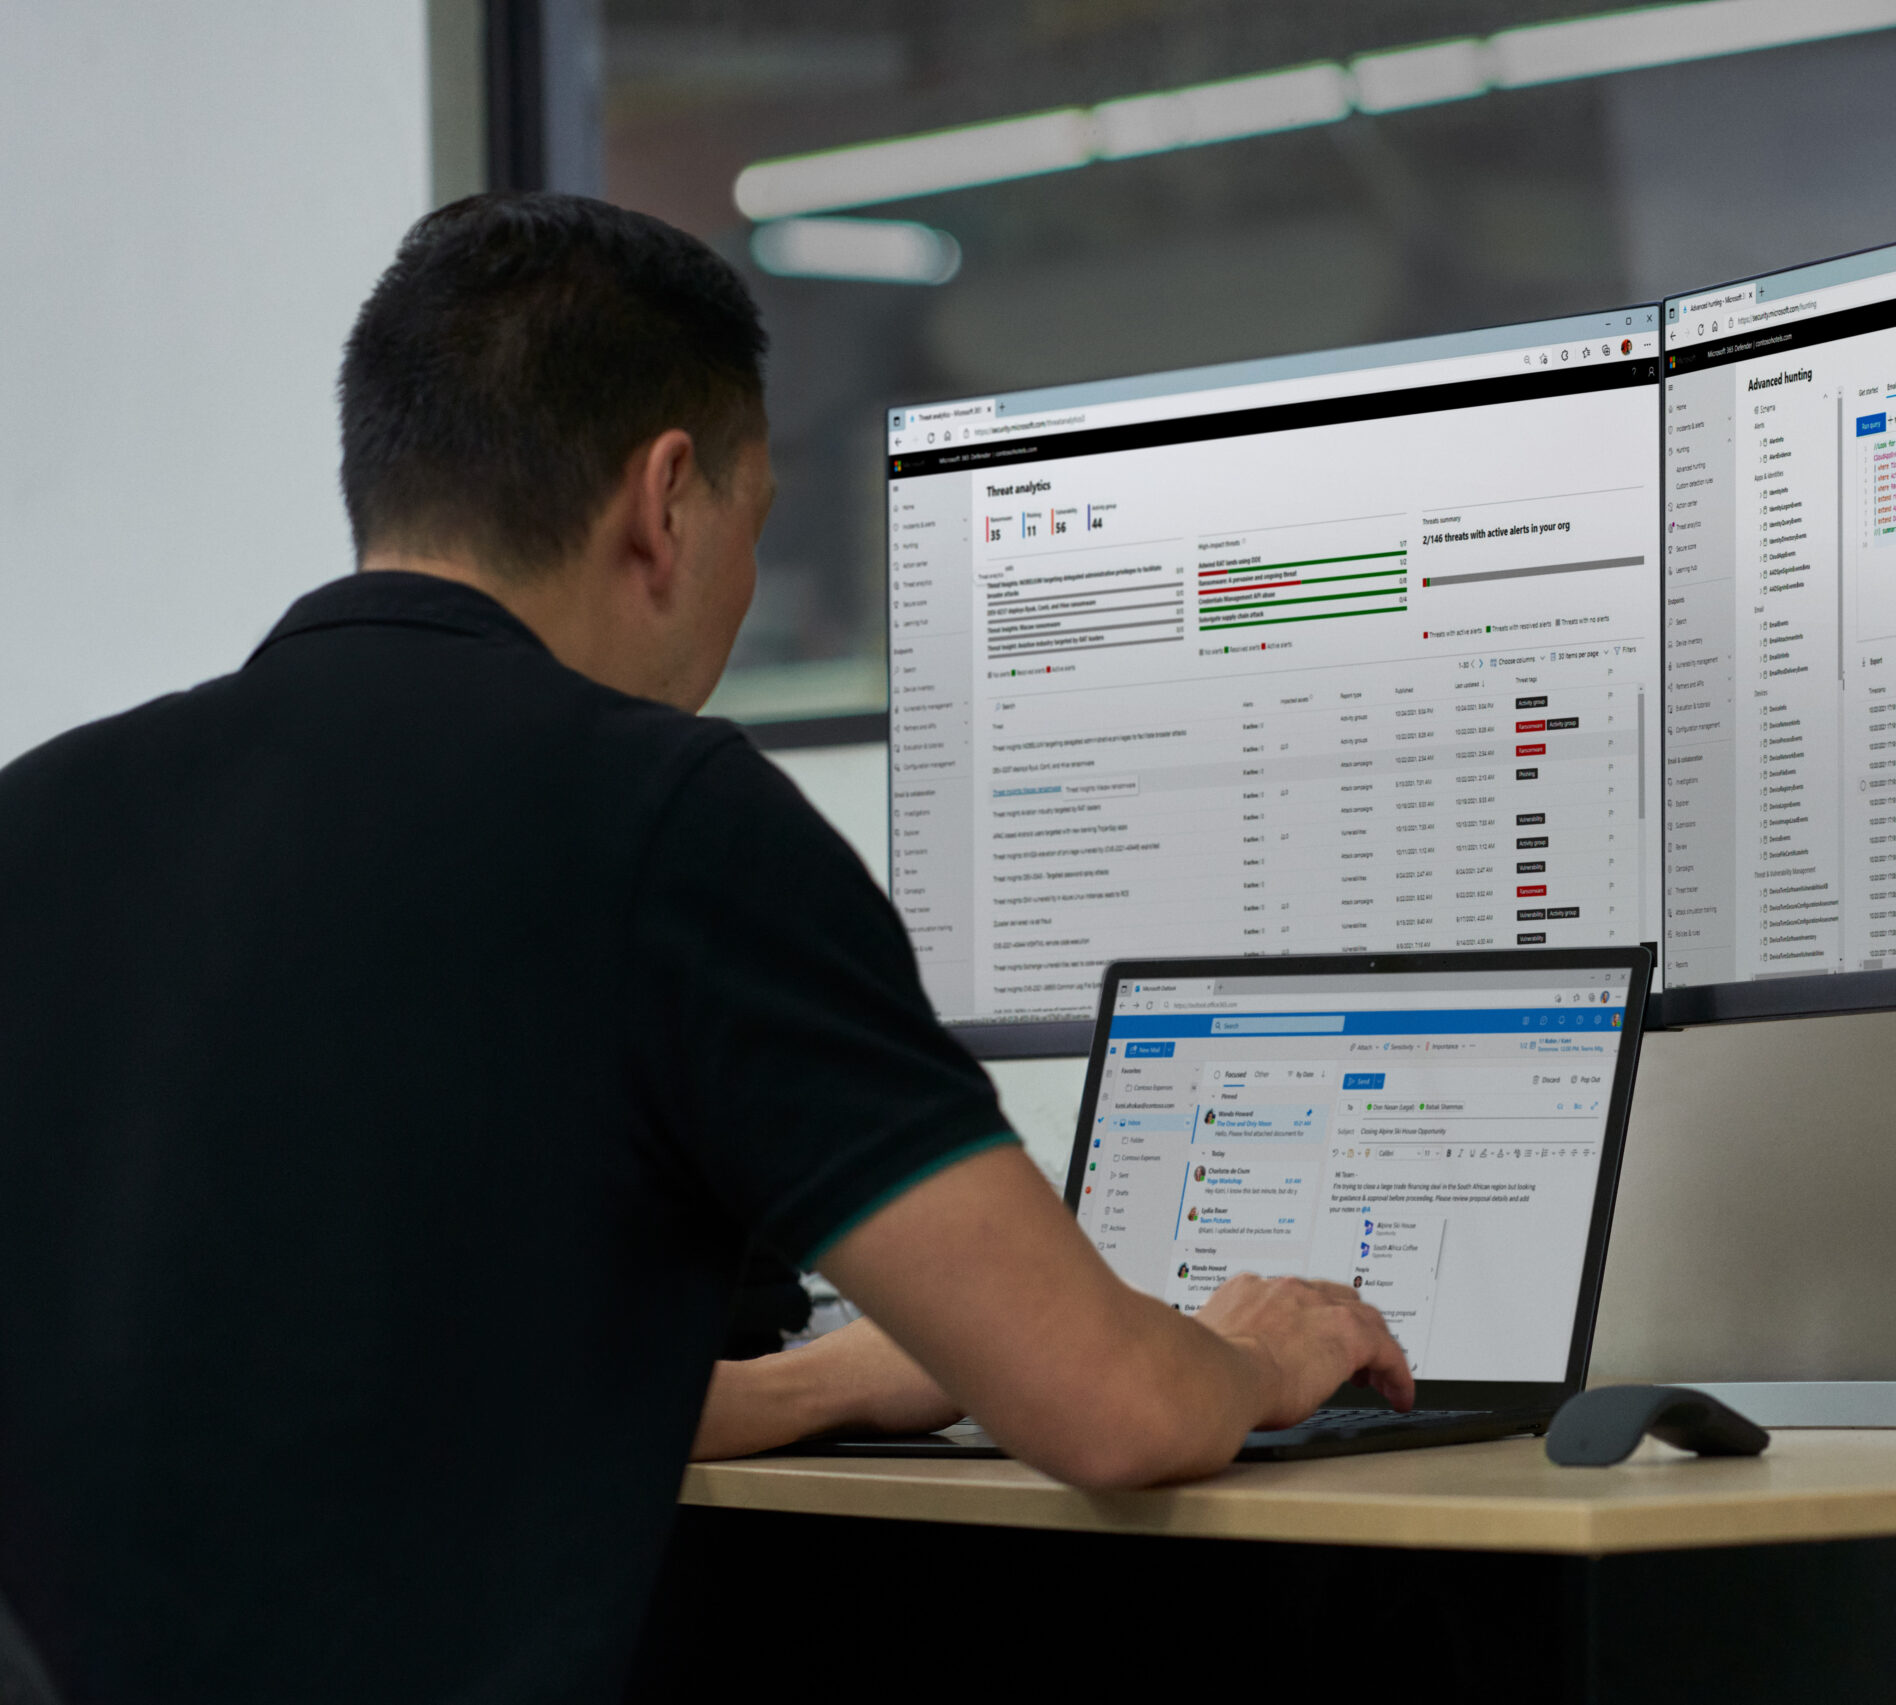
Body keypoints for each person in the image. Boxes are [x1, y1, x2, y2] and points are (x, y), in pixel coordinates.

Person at [0, 194, 1410, 1705]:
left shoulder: (43, 816)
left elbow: (394, 1401)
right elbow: (1116, 1408)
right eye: (756, 521)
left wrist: (839, 1377)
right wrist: (1252, 1357)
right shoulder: (667, 819)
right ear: (667, 500)